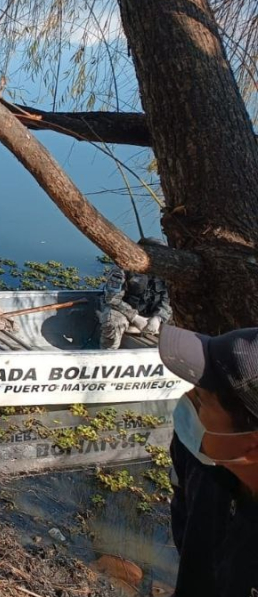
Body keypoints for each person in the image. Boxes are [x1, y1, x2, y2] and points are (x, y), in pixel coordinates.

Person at [159, 325, 258, 596]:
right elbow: (183, 518)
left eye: (202, 401)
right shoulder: (201, 461)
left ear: (252, 446)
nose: (186, 402)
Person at [98, 237, 172, 348]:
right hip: (123, 311)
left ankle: (171, 358)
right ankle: (107, 354)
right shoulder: (122, 268)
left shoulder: (167, 271)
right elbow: (112, 298)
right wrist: (134, 317)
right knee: (113, 321)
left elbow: (168, 299)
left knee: (181, 326)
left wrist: (158, 317)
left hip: (153, 313)